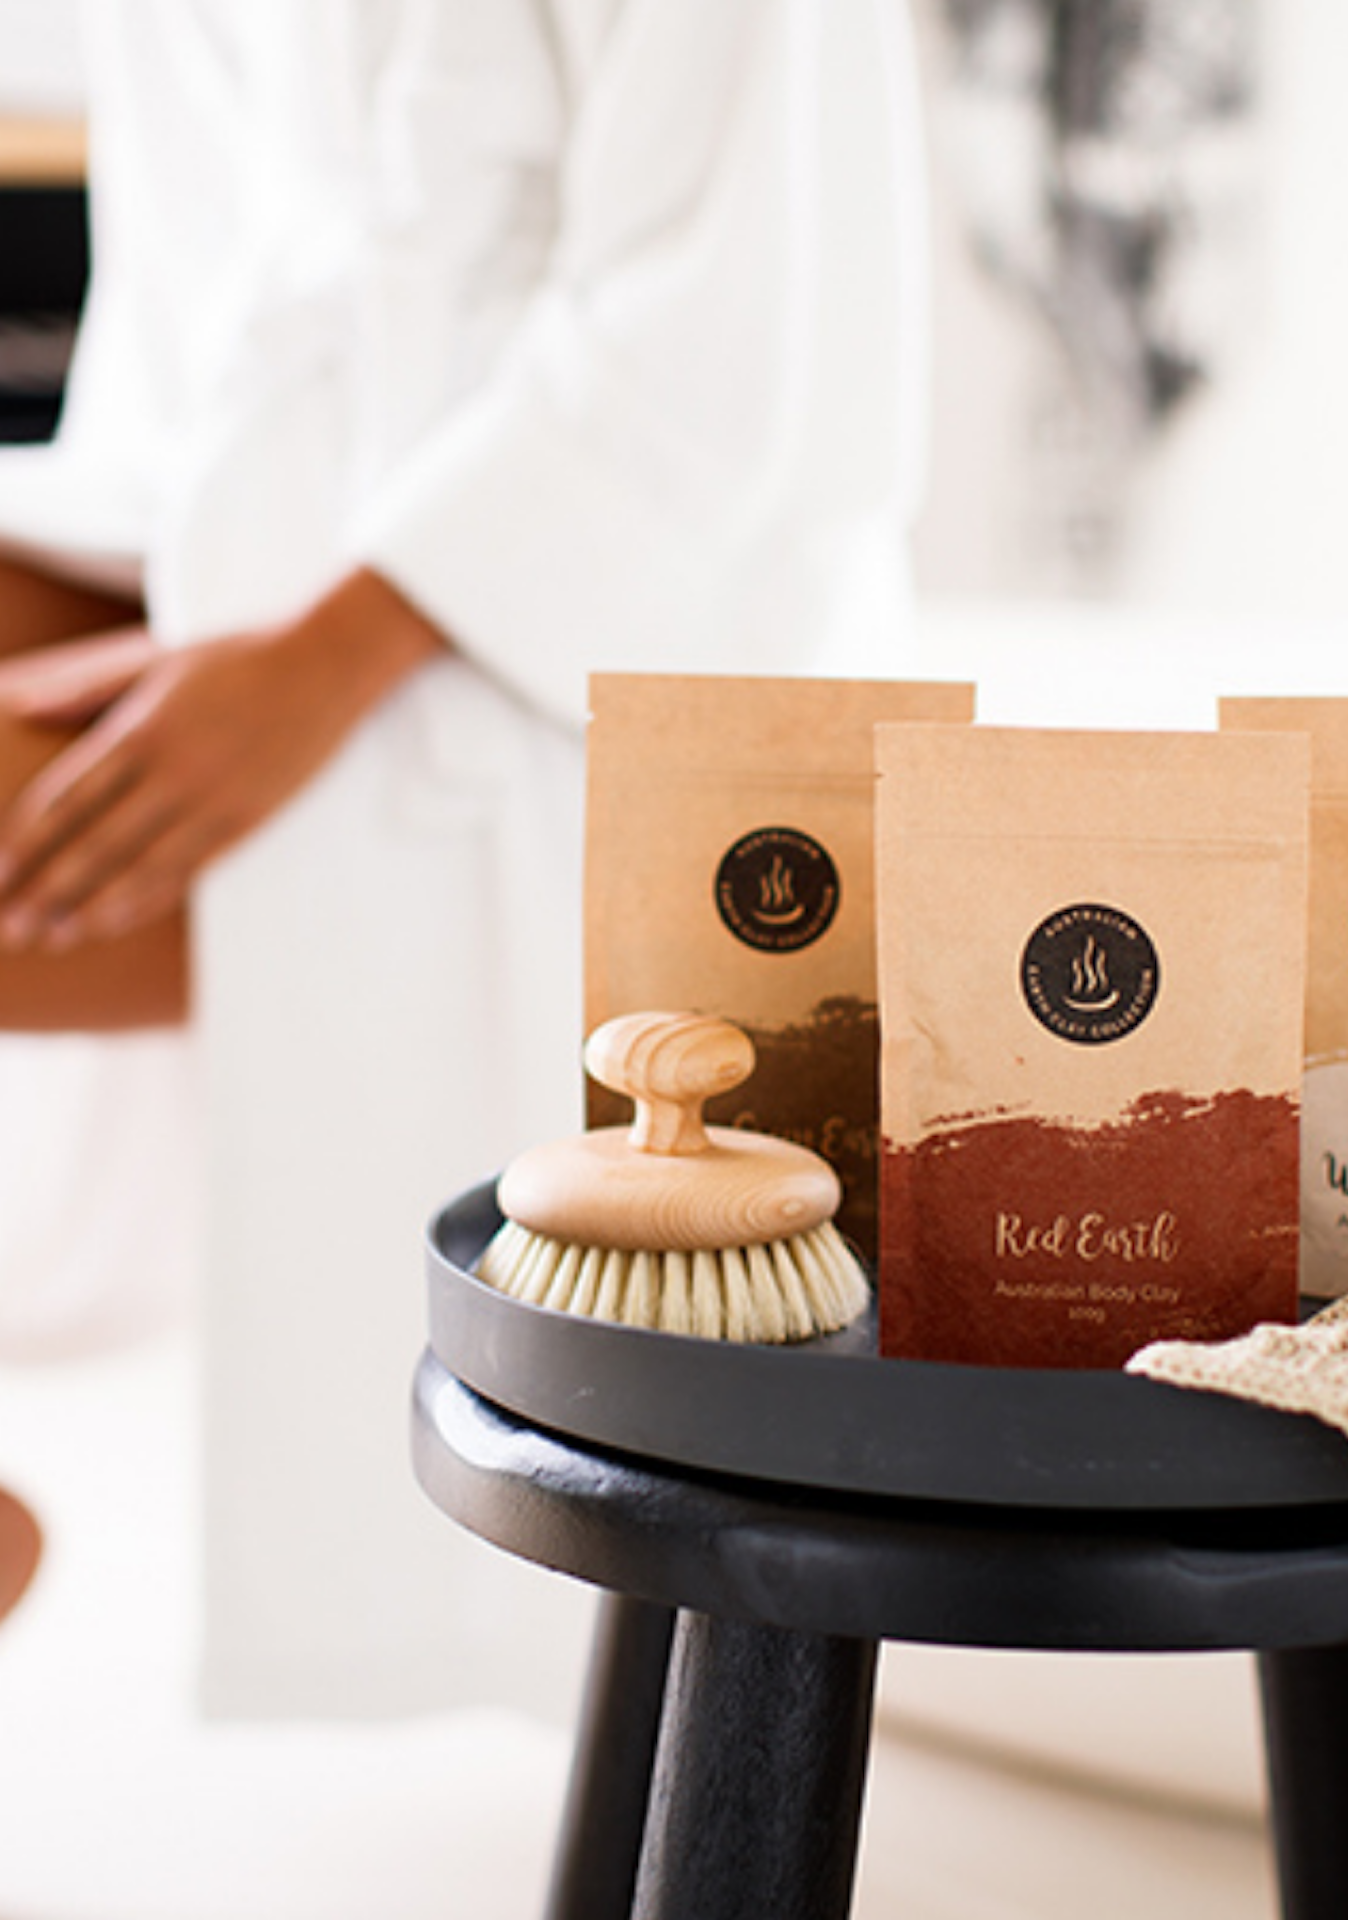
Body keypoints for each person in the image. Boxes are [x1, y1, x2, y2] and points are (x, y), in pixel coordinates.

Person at [0, 0, 930, 1718]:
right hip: (246, 546)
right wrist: (203, 603)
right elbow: (205, 302)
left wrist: (309, 657)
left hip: (578, 632)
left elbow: (737, 343)